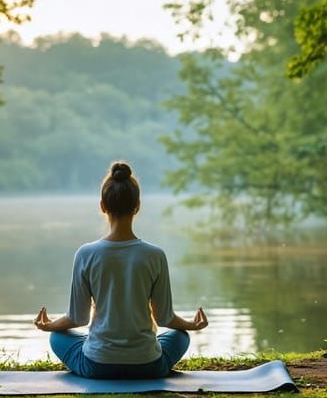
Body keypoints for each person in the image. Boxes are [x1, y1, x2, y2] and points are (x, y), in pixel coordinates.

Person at [34, 161, 208, 379]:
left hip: (97, 366)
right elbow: (165, 319)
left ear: (102, 206)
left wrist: (50, 326)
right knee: (180, 336)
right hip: (148, 365)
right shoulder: (155, 255)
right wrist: (190, 325)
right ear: (137, 206)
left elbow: (77, 318)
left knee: (57, 337)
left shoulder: (85, 254)